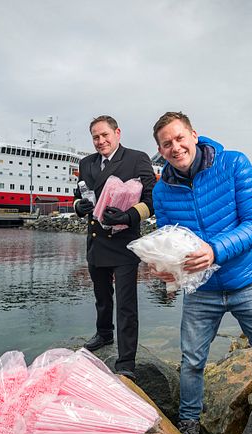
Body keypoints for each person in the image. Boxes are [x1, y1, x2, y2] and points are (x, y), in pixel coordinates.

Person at [150, 111, 252, 434]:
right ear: (160, 150)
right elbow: (168, 238)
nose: (175, 147)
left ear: (194, 135)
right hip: (202, 290)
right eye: (166, 144)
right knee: (192, 361)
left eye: (180, 138)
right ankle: (189, 424)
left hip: (248, 281)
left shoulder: (234, 164)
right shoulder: (162, 191)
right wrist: (166, 267)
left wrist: (215, 250)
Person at [74, 115, 156, 380]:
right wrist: (79, 207)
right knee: (101, 294)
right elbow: (79, 195)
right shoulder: (85, 163)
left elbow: (152, 198)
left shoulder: (136, 158)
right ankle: (104, 333)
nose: (100, 141)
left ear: (117, 133)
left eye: (105, 135)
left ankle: (126, 361)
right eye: (95, 137)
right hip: (96, 239)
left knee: (126, 304)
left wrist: (128, 216)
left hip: (123, 241)